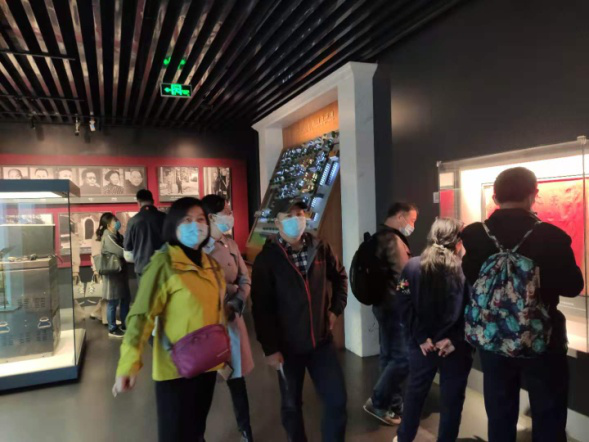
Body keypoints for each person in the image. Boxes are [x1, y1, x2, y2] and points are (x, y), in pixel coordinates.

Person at [461, 167, 584, 442]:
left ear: (495, 197)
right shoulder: (551, 236)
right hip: (542, 338)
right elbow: (573, 286)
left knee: (499, 412)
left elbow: (471, 277)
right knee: (549, 414)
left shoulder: (475, 235)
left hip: (493, 337)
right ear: (533, 194)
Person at [113, 197, 230, 442]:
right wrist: (128, 364)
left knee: (197, 431)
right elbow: (141, 316)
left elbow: (217, 312)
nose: (195, 225)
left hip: (207, 365)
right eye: (187, 220)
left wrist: (223, 356)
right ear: (173, 226)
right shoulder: (163, 264)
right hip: (174, 370)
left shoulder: (211, 265)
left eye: (200, 219)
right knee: (174, 435)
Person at [251, 201, 348, 442]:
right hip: (287, 347)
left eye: (300, 213)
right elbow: (261, 307)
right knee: (292, 405)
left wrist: (335, 310)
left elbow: (340, 277)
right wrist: (270, 348)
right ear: (277, 222)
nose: (296, 219)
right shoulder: (267, 259)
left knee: (337, 400)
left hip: (321, 342)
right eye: (289, 215)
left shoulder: (320, 247)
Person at [394, 218, 473, 442]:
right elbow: (473, 310)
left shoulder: (412, 267)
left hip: (422, 347)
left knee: (414, 396)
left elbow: (403, 303)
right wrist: (455, 339)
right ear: (458, 242)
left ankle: (404, 438)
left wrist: (421, 338)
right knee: (452, 402)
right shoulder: (465, 270)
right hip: (455, 349)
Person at [202, 194, 254, 442]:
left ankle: (246, 430)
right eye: (227, 211)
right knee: (203, 385)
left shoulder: (230, 244)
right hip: (205, 326)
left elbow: (244, 278)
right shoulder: (197, 249)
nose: (231, 215)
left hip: (231, 319)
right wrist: (228, 290)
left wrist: (237, 299)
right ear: (211, 217)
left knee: (236, 378)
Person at [364, 202, 418, 425]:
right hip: (396, 308)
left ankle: (392, 405)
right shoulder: (394, 241)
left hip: (382, 306)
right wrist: (411, 302)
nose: (413, 225)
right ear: (399, 217)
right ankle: (378, 401)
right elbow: (402, 278)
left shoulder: (378, 237)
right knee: (403, 358)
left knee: (388, 356)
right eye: (412, 220)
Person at [96, 212, 131, 338]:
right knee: (113, 302)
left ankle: (125, 324)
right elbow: (120, 251)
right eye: (114, 221)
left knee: (125, 299)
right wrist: (132, 253)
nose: (117, 222)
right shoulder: (108, 236)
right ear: (108, 225)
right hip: (113, 274)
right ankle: (112, 328)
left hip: (120, 272)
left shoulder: (117, 235)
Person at [123, 189, 166, 282]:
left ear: (138, 203)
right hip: (162, 266)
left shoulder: (133, 221)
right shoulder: (164, 217)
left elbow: (127, 248)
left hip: (142, 267)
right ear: (153, 201)